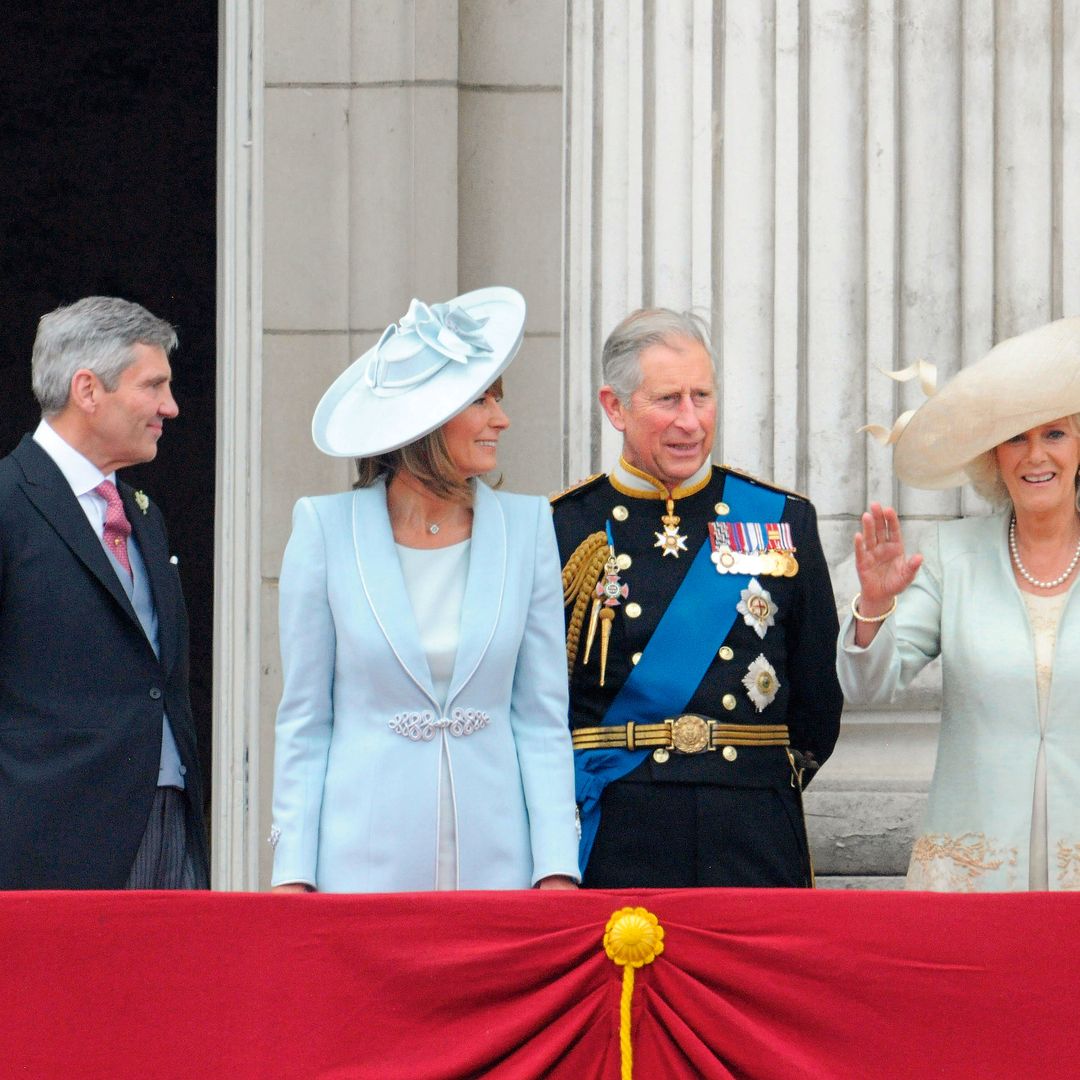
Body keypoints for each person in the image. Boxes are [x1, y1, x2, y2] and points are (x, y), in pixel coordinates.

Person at [269, 287, 579, 893]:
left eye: (499, 399)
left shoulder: (528, 526)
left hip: (500, 870)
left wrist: (556, 867)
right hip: (361, 869)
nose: (502, 419)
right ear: (428, 420)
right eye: (482, 401)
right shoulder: (324, 529)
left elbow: (542, 718)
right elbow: (306, 719)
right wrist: (293, 874)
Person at [551, 308, 843, 887]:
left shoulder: (782, 519)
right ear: (615, 407)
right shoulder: (563, 527)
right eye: (668, 399)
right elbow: (541, 704)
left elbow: (816, 701)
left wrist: (755, 784)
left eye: (702, 396)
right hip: (617, 822)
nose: (691, 420)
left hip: (752, 822)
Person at [839, 317, 1080, 892]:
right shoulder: (953, 555)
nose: (1034, 455)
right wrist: (874, 604)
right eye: (1015, 437)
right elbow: (871, 689)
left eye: (1054, 433)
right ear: (992, 456)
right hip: (971, 877)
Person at [0, 296, 209, 889]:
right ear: (88, 390)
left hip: (168, 824)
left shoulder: (144, 514)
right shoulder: (9, 503)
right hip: (48, 843)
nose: (170, 407)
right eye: (154, 386)